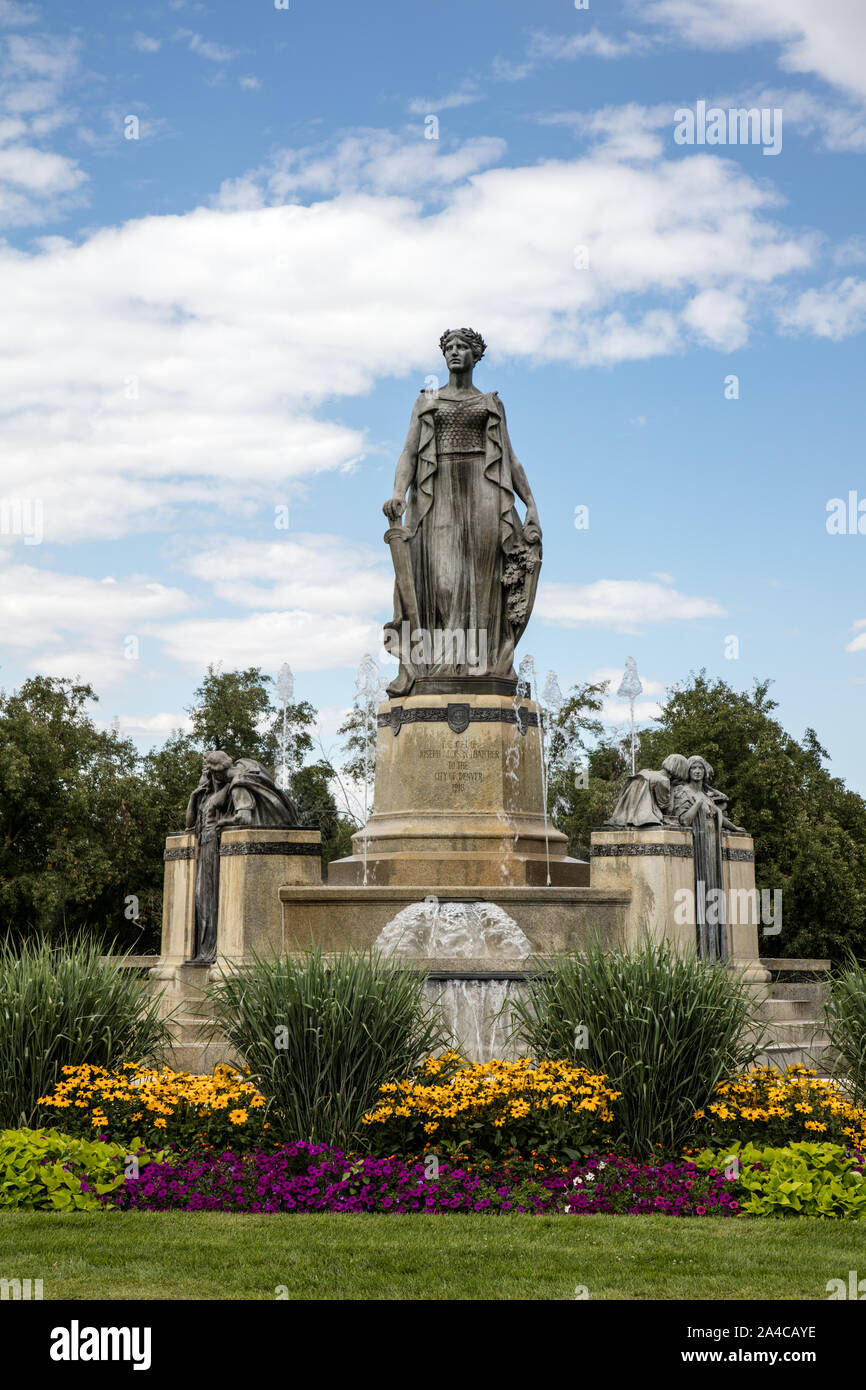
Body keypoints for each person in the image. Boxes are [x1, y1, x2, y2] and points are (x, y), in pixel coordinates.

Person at [382, 327, 542, 695]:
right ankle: (438, 666)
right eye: (449, 347)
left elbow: (512, 459)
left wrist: (530, 503)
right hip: (436, 493)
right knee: (442, 581)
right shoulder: (428, 400)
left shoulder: (490, 403)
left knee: (483, 580)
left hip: (483, 491)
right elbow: (408, 452)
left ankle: (481, 666)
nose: (454, 352)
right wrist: (397, 493)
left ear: (476, 355)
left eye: (462, 347)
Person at [185, 751, 299, 964]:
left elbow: (244, 816)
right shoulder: (216, 789)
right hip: (205, 846)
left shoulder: (237, 784)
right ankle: (205, 950)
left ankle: (209, 951)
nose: (206, 776)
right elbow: (190, 824)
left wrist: (222, 822)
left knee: (208, 899)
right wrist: (194, 796)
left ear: (215, 772)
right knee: (203, 899)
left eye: (207, 772)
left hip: (214, 847)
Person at [605, 753, 690, 827]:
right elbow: (667, 810)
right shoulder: (663, 780)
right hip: (645, 818)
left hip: (624, 816)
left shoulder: (646, 772)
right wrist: (672, 789)